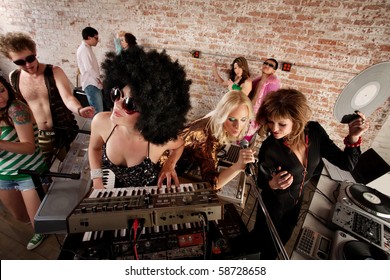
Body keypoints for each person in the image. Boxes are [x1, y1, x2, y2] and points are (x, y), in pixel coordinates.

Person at [251, 88, 369, 259]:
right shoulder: (270, 147)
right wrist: (272, 184)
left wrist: (353, 138)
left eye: (282, 124)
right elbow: (260, 183)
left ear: (296, 121)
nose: (274, 129)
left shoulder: (314, 131)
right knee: (264, 247)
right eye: (270, 122)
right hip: (273, 207)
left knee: (280, 244)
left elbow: (346, 164)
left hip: (296, 205)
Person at [88, 46, 191, 189]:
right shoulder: (101, 122)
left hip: (148, 195)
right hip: (115, 189)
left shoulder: (156, 142)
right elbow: (94, 149)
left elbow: (179, 144)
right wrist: (97, 179)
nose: (117, 104)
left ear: (151, 113)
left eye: (129, 104)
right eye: (117, 94)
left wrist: (169, 164)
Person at [0, 32, 95, 167]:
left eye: (30, 58)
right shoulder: (13, 77)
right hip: (37, 135)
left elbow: (68, 98)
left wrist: (79, 110)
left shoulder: (54, 72)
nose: (27, 64)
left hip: (62, 130)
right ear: (11, 60)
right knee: (43, 170)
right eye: (20, 62)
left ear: (35, 52)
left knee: (76, 167)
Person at [161, 90, 256, 190]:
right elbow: (212, 184)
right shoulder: (208, 136)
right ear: (222, 115)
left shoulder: (215, 118)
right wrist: (238, 166)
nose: (238, 126)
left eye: (243, 119)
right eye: (232, 119)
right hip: (162, 164)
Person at [0, 75, 48, 250]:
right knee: (20, 216)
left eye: (2, 90)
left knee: (39, 226)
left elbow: (28, 147)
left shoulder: (16, 109)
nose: (1, 97)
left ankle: (42, 227)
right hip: (4, 174)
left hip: (30, 172)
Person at [244, 58, 281, 142]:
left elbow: (272, 103)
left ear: (273, 71)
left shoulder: (273, 83)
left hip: (257, 115)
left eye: (270, 65)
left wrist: (263, 118)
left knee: (245, 139)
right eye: (265, 63)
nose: (267, 65)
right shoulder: (258, 81)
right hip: (248, 109)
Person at [77, 26, 104, 115]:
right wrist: (99, 79)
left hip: (93, 83)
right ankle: (97, 129)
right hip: (91, 84)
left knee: (98, 111)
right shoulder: (84, 49)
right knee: (97, 112)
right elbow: (89, 68)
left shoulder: (87, 48)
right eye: (96, 38)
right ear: (89, 37)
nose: (97, 40)